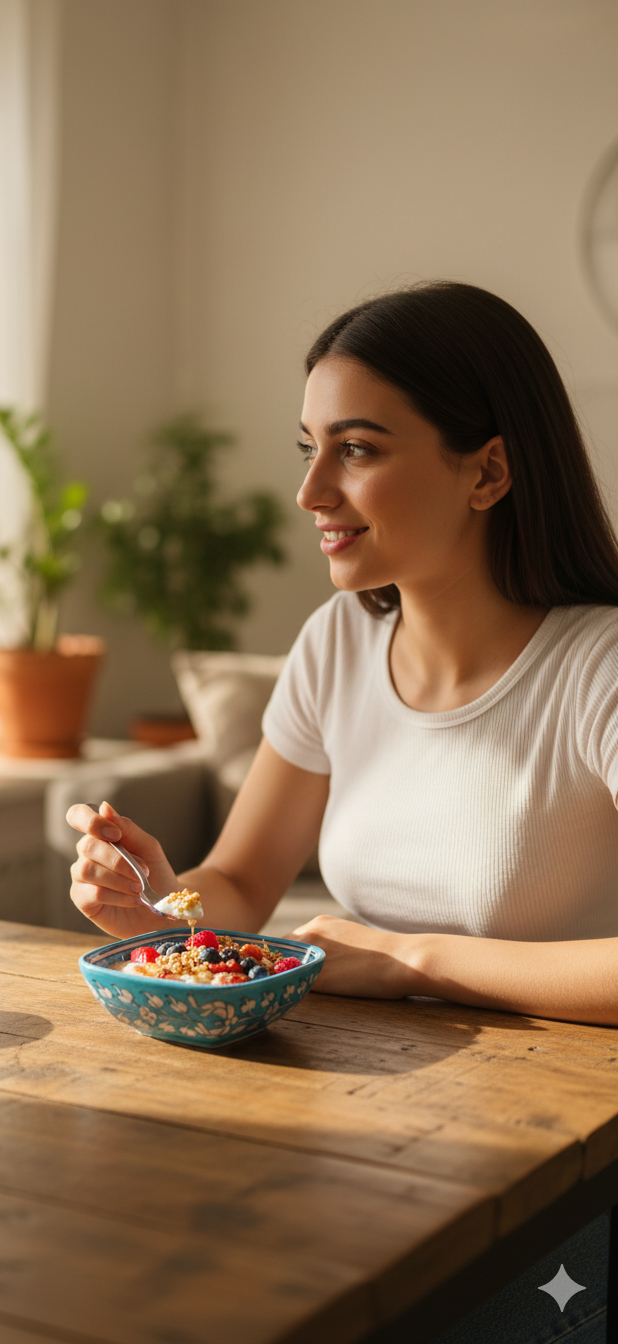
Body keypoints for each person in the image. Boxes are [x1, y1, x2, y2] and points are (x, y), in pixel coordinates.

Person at [68, 282, 617, 1344]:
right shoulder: (335, 645)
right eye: (308, 446)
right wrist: (160, 914)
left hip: (565, 1165)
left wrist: (411, 962)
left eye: (357, 449)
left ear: (489, 470)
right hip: (369, 1126)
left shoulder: (596, 667)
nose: (312, 488)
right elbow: (237, 885)